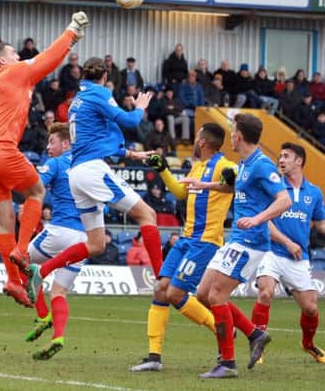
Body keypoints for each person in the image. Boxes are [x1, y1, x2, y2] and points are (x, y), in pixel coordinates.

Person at [0, 11, 89, 307]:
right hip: (0, 149)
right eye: (14, 53)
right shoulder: (14, 72)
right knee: (36, 191)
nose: (20, 56)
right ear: (3, 61)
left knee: (4, 222)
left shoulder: (3, 81)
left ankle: (13, 279)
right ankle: (23, 250)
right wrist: (71, 33)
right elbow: (48, 60)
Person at [26, 57, 162, 305]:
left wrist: (131, 154)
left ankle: (41, 272)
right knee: (148, 215)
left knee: (96, 244)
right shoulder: (99, 93)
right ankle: (162, 279)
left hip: (78, 174)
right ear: (105, 76)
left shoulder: (79, 99)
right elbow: (131, 121)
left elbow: (95, 139)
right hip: (92, 170)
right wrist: (140, 106)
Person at [184, 113, 291, 378]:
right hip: (237, 240)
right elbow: (234, 188)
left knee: (217, 296)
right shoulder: (245, 164)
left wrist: (257, 219)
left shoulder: (262, 165)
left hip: (250, 242)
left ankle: (228, 363)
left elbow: (284, 200)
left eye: (232, 132)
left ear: (239, 135)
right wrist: (204, 185)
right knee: (203, 294)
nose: (230, 136)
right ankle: (255, 334)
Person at [131, 123, 236, 372]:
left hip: (205, 241)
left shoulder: (223, 165)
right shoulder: (198, 166)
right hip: (186, 238)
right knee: (160, 289)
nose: (195, 136)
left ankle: (222, 329)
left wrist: (233, 177)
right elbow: (180, 192)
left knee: (175, 294)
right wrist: (164, 170)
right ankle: (154, 358)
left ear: (202, 141)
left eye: (197, 134)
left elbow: (236, 173)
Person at [251, 143, 325, 363]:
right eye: (280, 156)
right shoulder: (274, 188)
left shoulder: (314, 192)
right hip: (271, 251)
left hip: (298, 258)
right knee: (265, 292)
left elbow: (321, 224)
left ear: (299, 161)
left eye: (286, 156)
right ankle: (258, 344)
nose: (281, 160)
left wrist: (295, 246)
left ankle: (308, 344)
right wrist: (287, 242)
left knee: (311, 308)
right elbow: (265, 222)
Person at [23, 123, 88, 360]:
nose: (48, 147)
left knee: (22, 259)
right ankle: (58, 336)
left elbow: (35, 186)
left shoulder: (55, 163)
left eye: (52, 142)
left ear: (66, 143)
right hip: (85, 239)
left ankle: (42, 316)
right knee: (59, 291)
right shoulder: (85, 164)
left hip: (60, 231)